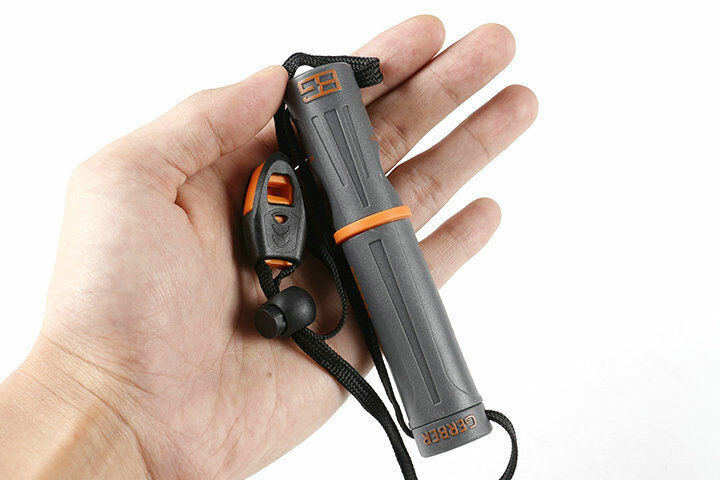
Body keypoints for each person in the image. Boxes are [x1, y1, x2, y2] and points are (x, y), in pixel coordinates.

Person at [0, 16, 537, 479]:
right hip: (361, 227)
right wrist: (102, 393)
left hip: (366, 224)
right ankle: (447, 415)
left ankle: (448, 417)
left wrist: (100, 402)